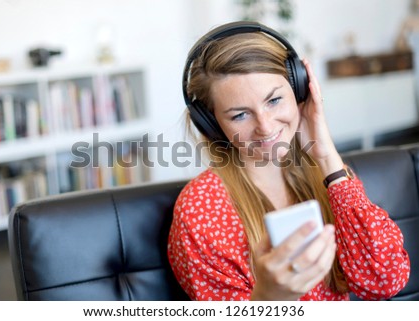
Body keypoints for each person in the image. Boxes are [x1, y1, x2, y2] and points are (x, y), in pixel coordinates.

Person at [167, 21, 410, 301]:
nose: (266, 127)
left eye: (274, 101)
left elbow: (385, 280)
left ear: (300, 91)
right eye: (240, 115)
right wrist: (271, 297)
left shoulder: (327, 174)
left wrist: (327, 154)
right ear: (211, 125)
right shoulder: (201, 210)